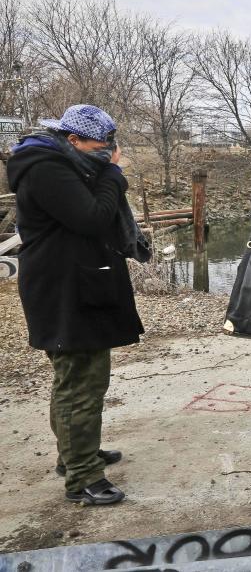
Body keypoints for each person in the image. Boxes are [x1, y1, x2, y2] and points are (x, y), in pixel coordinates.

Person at [6, 104, 142, 506]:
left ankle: (76, 454)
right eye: (102, 147)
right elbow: (92, 218)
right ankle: (83, 477)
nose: (108, 152)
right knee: (79, 383)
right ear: (73, 140)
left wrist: (104, 171)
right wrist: (114, 174)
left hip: (76, 283)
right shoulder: (48, 170)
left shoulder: (64, 163)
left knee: (80, 379)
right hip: (66, 291)